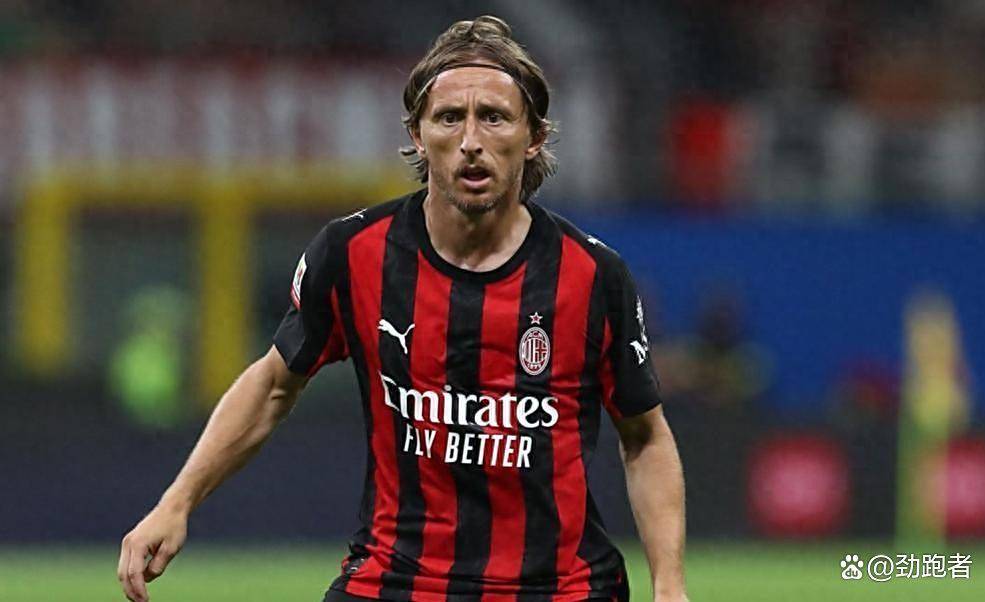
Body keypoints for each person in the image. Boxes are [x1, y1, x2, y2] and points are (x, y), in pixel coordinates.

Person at [118, 15, 686, 602]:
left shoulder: (594, 276)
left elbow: (644, 436)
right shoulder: (353, 252)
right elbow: (272, 385)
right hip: (394, 581)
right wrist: (176, 502)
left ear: (534, 136)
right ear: (418, 134)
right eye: (449, 117)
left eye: (494, 117)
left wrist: (669, 586)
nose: (471, 140)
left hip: (558, 589)